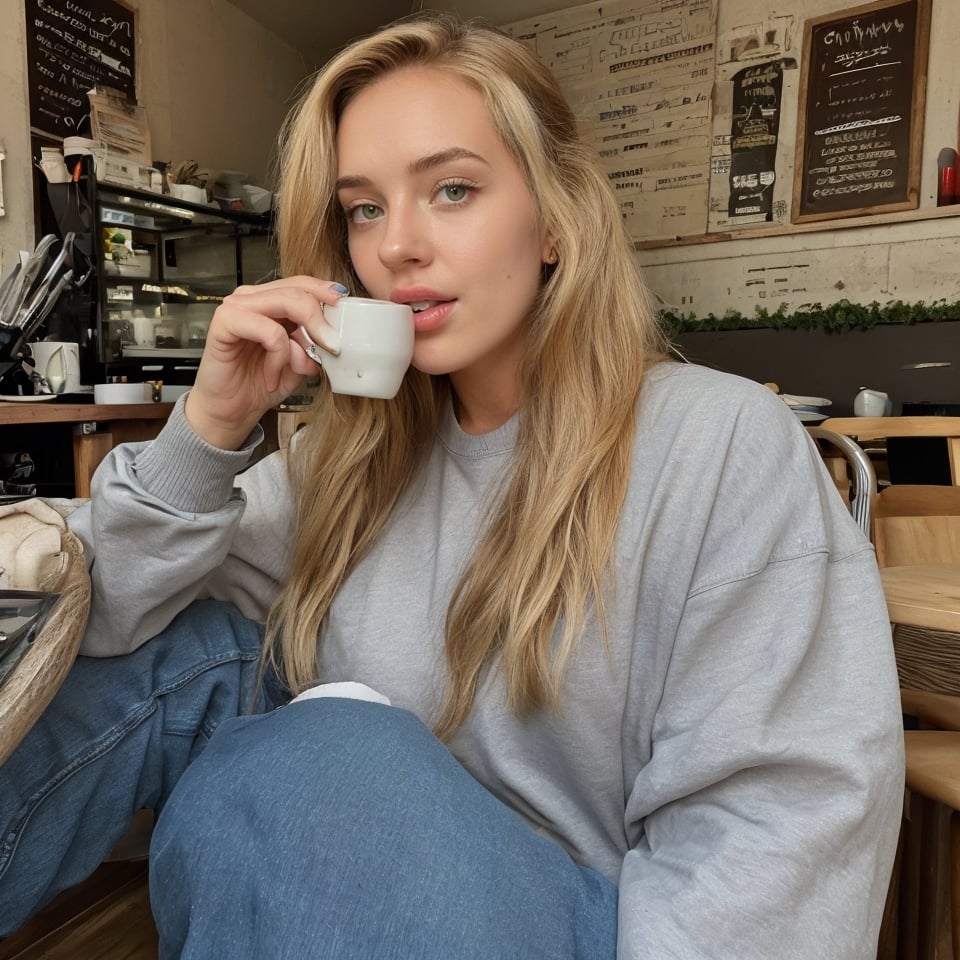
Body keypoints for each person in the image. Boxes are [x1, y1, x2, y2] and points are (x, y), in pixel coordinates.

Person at [0, 12, 903, 959]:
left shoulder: (721, 447)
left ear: (555, 222)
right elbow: (112, 622)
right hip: (351, 904)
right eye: (365, 208)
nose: (398, 247)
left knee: (318, 760)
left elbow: (778, 854)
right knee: (155, 657)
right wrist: (211, 427)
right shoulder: (347, 463)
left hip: (592, 928)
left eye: (454, 189)